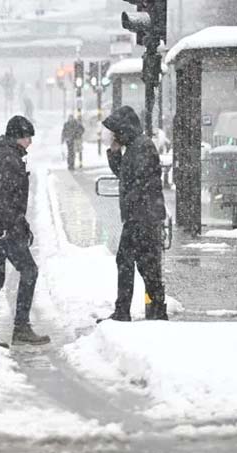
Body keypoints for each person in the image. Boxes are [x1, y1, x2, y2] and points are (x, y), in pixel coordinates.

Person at [0, 116, 50, 347]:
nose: (30, 143)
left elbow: (5, 198)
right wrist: (12, 227)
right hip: (2, 229)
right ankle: (21, 327)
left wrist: (18, 224)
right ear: (20, 136)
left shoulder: (2, 154)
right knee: (29, 271)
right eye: (28, 138)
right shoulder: (8, 158)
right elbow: (5, 199)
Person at [98, 106, 167, 323]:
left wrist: (134, 208)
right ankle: (143, 310)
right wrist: (115, 151)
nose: (114, 136)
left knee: (141, 264)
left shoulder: (143, 147)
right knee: (137, 263)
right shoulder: (136, 147)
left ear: (124, 129)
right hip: (140, 216)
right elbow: (124, 174)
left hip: (143, 217)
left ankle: (148, 310)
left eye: (116, 132)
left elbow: (138, 182)